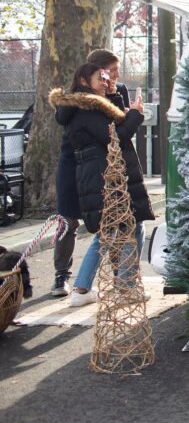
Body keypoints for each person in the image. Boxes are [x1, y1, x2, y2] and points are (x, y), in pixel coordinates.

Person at [49, 64, 155, 307]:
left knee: (109, 232)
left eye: (108, 76)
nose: (107, 80)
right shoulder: (86, 109)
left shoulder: (88, 105)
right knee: (130, 226)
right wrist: (136, 115)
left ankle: (83, 289)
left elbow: (112, 122)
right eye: (102, 77)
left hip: (99, 175)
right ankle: (124, 287)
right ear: (85, 81)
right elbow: (115, 138)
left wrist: (114, 96)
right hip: (102, 177)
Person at [51, 49, 131, 296]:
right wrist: (89, 96)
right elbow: (62, 117)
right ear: (97, 71)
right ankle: (61, 275)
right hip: (72, 163)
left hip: (101, 164)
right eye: (112, 70)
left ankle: (119, 274)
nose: (116, 75)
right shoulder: (76, 95)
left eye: (117, 70)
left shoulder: (119, 90)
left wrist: (113, 95)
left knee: (111, 218)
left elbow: (121, 122)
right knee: (68, 219)